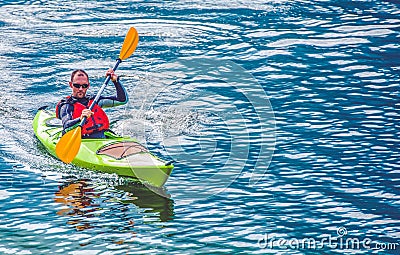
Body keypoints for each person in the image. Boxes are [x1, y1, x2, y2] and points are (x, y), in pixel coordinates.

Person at [56, 69, 128, 139]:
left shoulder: (94, 100)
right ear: (71, 85)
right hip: (80, 139)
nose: (80, 89)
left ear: (88, 86)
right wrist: (80, 119)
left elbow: (122, 100)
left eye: (84, 86)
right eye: (77, 85)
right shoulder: (67, 105)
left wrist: (116, 81)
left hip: (101, 136)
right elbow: (66, 127)